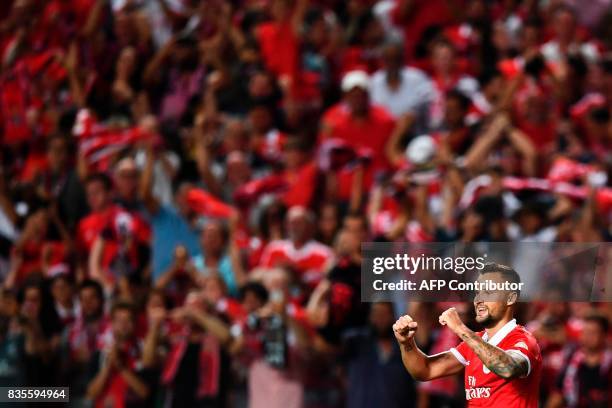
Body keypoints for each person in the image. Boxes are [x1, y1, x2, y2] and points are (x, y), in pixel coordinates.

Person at [393, 263, 542, 407]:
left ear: (510, 298)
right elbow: (425, 370)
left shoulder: (524, 340)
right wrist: (407, 343)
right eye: (477, 292)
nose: (478, 300)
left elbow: (508, 369)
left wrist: (460, 329)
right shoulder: (472, 345)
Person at [545, 314, 611, 408]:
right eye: (585, 332)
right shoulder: (571, 362)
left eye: (592, 332)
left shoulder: (609, 365)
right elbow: (557, 395)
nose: (587, 336)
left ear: (604, 335)